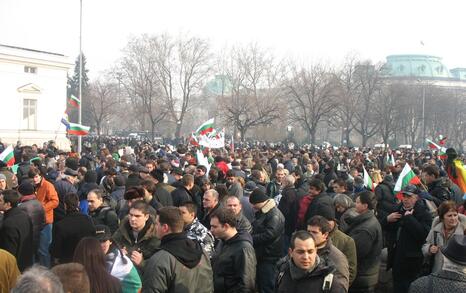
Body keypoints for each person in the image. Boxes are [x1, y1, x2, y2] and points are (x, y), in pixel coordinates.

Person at [142, 207, 213, 293]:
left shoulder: (160, 260)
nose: (154, 227)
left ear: (165, 227)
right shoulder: (202, 252)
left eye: (156, 224)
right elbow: (209, 286)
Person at [383, 184, 432, 293]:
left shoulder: (424, 213)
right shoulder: (397, 209)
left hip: (412, 262)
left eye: (409, 196)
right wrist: (387, 219)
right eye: (404, 196)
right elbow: (386, 228)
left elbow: (423, 235)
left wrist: (409, 219)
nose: (405, 199)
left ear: (416, 197)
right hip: (396, 258)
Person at [275, 230, 346, 293]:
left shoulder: (330, 283)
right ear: (291, 253)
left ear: (316, 251)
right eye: (300, 252)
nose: (306, 257)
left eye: (310, 252)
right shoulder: (282, 274)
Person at [342, 191, 382, 293]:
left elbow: (354, 252)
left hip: (362, 277)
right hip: (364, 275)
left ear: (365, 205)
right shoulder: (366, 221)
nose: (355, 204)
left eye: (358, 202)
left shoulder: (366, 229)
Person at [210, 208, 256, 292]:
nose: (211, 230)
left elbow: (246, 284)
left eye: (214, 227)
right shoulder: (222, 241)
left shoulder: (244, 248)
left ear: (226, 226)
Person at [249, 188, 285, 293]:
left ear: (260, 202)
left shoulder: (274, 214)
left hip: (269, 256)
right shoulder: (265, 212)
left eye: (253, 204)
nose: (252, 206)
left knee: (267, 284)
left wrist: (251, 238)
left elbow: (270, 234)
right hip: (264, 254)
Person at [50, 193, 96, 265]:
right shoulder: (88, 220)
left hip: (67, 263)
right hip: (85, 261)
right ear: (78, 203)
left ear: (65, 205)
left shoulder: (60, 225)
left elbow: (55, 250)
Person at [112, 200, 160, 269]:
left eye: (137, 216)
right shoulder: (122, 229)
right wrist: (118, 253)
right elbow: (112, 246)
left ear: (146, 217)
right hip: (123, 272)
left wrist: (142, 262)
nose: (133, 219)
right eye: (131, 215)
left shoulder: (155, 235)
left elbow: (157, 264)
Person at [307, 216, 350, 292]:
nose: (310, 235)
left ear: (325, 235)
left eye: (314, 232)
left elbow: (341, 287)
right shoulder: (303, 250)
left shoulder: (337, 258)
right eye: (308, 231)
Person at [422, 200, 466, 273]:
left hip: (457, 274)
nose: (453, 218)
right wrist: (429, 249)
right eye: (449, 215)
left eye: (455, 215)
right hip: (437, 271)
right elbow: (424, 247)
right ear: (442, 218)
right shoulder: (436, 230)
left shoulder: (464, 232)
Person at [95, 225, 142, 293]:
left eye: (104, 241)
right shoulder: (110, 254)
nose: (101, 244)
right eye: (98, 241)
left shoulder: (114, 260)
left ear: (110, 241)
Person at [29, 166, 59, 267]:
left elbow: (55, 201)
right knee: (36, 249)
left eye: (36, 176)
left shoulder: (47, 185)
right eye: (32, 177)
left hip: (46, 222)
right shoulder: (33, 186)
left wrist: (42, 208)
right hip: (36, 222)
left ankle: (46, 272)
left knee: (44, 250)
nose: (34, 179)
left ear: (40, 176)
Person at [0, 189, 33, 271]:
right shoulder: (25, 215)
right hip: (26, 262)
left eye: (0, 200)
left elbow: (9, 252)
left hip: (15, 267)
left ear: (8, 204)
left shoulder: (8, 224)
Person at [17, 180, 45, 260]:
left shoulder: (21, 207)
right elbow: (44, 221)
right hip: (37, 236)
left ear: (22, 193)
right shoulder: (39, 203)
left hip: (27, 239)